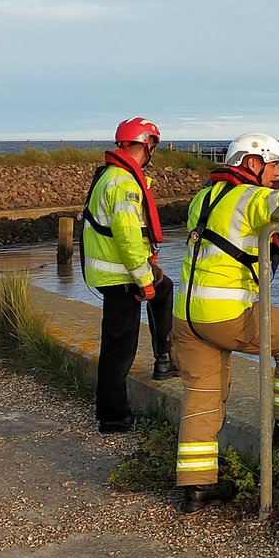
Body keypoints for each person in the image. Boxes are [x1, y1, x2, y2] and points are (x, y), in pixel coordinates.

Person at [172, 132, 279, 514]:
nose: (277, 174)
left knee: (201, 396)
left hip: (187, 315)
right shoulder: (249, 197)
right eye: (273, 166)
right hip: (228, 313)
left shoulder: (204, 197)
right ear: (252, 163)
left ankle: (196, 487)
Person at [81, 117, 177, 435]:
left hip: (115, 271)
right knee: (119, 349)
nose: (153, 153)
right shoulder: (123, 182)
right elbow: (125, 234)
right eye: (153, 146)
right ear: (145, 143)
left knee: (166, 289)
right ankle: (114, 418)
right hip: (119, 275)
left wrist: (149, 270)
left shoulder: (110, 175)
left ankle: (165, 358)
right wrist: (143, 278)